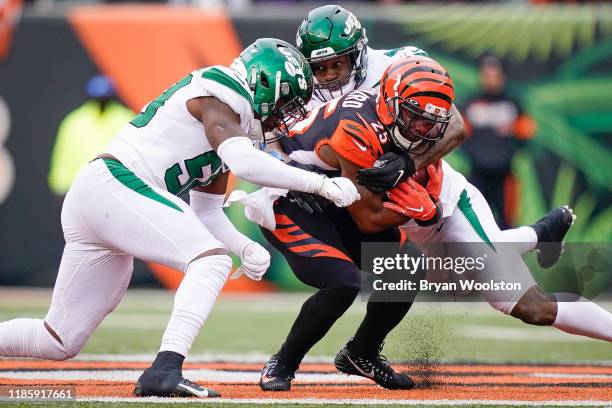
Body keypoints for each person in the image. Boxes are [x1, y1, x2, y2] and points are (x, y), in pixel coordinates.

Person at [0, 38, 361, 399]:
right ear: (264, 82)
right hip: (114, 184)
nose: (284, 116)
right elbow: (245, 163)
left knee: (58, 338)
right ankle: (165, 369)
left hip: (103, 198)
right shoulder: (222, 92)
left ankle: (163, 369)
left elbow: (207, 212)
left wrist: (243, 244)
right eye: (285, 103)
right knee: (211, 261)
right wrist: (320, 185)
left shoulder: (233, 130)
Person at [255, 55, 612, 392]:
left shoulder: (409, 116)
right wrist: (416, 210)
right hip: (400, 211)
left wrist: (417, 191)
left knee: (526, 304)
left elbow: (449, 136)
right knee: (420, 271)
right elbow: (367, 217)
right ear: (391, 104)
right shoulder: (357, 128)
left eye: (432, 121)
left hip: (445, 208)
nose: (425, 128)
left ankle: (539, 235)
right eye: (416, 117)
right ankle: (539, 234)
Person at [461, 55, 535, 228]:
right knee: (472, 224)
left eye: (495, 74)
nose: (491, 79)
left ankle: (507, 256)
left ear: (503, 76)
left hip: (504, 176)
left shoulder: (513, 103)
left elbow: (527, 135)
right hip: (476, 175)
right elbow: (458, 136)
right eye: (487, 74)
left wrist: (509, 149)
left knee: (507, 225)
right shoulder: (471, 103)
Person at [48, 75, 134, 197]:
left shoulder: (124, 119)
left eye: (105, 99)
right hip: (80, 188)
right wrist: (61, 185)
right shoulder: (75, 121)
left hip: (115, 187)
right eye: (99, 99)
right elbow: (64, 153)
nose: (102, 103)